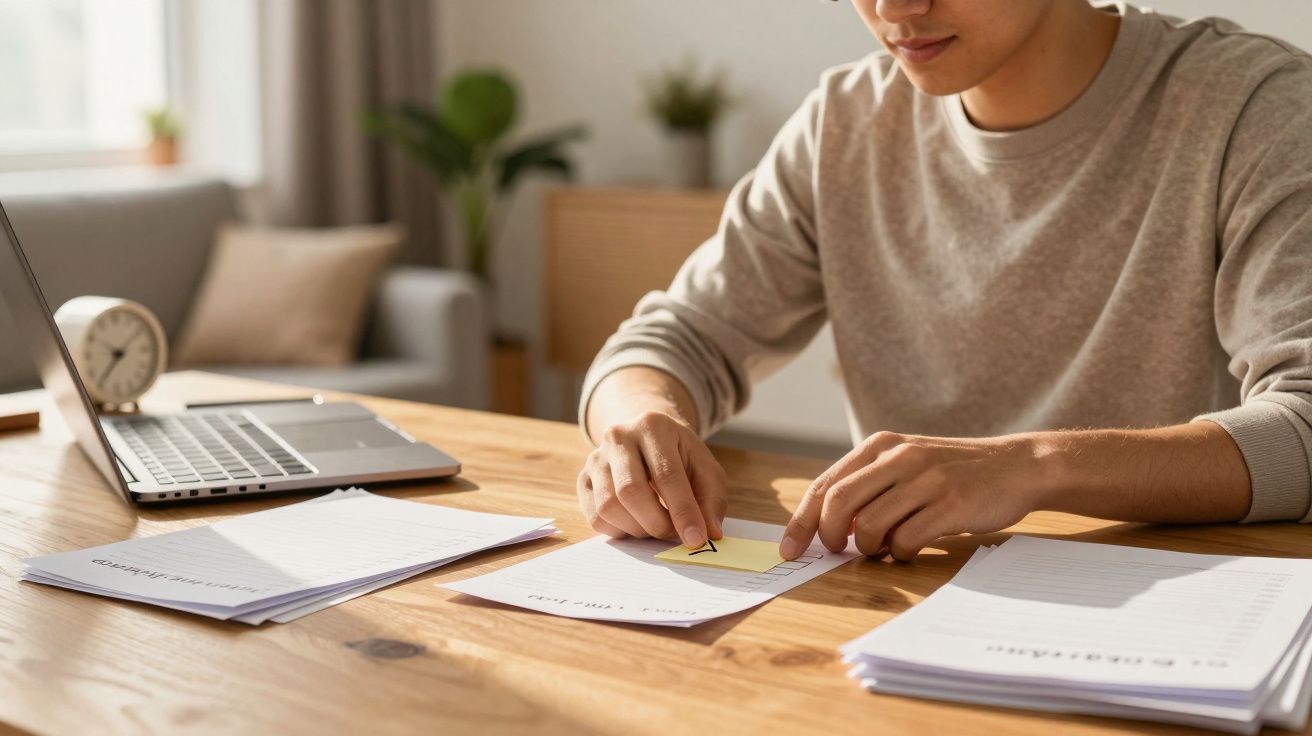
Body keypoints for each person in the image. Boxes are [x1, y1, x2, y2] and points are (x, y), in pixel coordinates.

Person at [575, 0, 1312, 562]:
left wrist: (1032, 468)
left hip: (1177, 611)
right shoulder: (844, 124)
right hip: (901, 612)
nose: (895, 8)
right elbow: (677, 339)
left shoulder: (1254, 109)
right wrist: (639, 424)